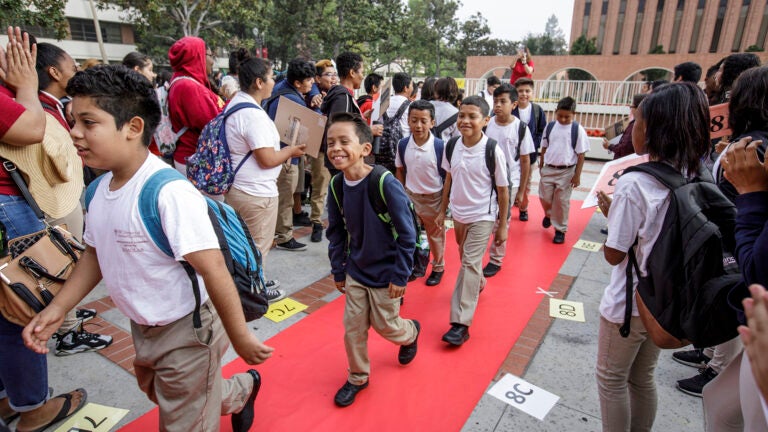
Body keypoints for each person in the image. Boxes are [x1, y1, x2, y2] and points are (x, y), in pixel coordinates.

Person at [22, 65, 273, 432]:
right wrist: (59, 308)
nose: (74, 132)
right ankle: (239, 392)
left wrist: (240, 336)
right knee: (172, 392)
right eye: (74, 121)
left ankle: (217, 395)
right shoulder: (98, 190)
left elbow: (213, 269)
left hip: (189, 328)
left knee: (184, 413)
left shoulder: (169, 194)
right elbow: (95, 255)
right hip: (144, 324)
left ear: (133, 127)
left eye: (88, 123)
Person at [595, 82, 712, 432]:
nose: (634, 129)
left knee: (611, 379)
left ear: (654, 129)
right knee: (643, 377)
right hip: (668, 301)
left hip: (630, 303)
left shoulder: (635, 183)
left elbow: (615, 253)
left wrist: (614, 218)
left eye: (638, 122)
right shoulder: (696, 173)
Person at [0, 26, 88, 432]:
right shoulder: (26, 94)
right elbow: (30, 129)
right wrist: (25, 88)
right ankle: (32, 407)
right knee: (21, 307)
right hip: (7, 209)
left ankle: (9, 398)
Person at [325, 112, 419, 407]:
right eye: (330, 143)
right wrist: (338, 269)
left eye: (344, 141)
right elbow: (336, 231)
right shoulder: (336, 185)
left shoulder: (384, 182)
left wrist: (400, 275)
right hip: (356, 270)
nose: (336, 148)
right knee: (353, 329)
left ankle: (410, 332)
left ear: (365, 148)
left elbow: (408, 234)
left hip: (387, 271)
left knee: (386, 326)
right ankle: (358, 377)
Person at [30, 42, 113, 355]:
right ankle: (68, 332)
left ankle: (69, 314)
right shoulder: (40, 110)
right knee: (66, 261)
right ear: (54, 71)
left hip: (64, 193)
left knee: (74, 257)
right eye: (72, 67)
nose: (78, 134)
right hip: (57, 196)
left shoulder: (50, 106)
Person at [223, 57, 305, 303]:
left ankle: (255, 279)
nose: (274, 82)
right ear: (259, 82)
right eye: (270, 78)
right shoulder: (253, 115)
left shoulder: (237, 104)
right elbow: (267, 159)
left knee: (246, 243)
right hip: (255, 193)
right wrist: (291, 151)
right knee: (258, 245)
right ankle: (255, 291)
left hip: (241, 188)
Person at [436, 96, 509, 346]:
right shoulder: (452, 145)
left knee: (468, 263)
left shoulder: (492, 150)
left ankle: (460, 324)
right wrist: (442, 210)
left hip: (483, 215)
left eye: (472, 116)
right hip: (459, 215)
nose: (465, 121)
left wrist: (502, 225)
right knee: (468, 261)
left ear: (486, 120)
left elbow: (503, 190)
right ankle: (478, 282)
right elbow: (448, 179)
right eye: (461, 116)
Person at [318, 52, 383, 240]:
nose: (363, 76)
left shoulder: (343, 96)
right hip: (343, 163)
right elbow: (339, 130)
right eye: (361, 71)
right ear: (352, 72)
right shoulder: (343, 97)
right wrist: (369, 130)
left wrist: (361, 117)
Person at [265, 58, 317, 252]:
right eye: (309, 80)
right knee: (285, 199)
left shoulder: (279, 89)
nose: (312, 83)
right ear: (297, 83)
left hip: (276, 154)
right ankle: (284, 237)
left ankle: (277, 233)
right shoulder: (293, 101)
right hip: (287, 158)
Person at [482, 84, 534, 278]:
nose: (497, 105)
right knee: (485, 217)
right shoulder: (487, 124)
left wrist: (521, 191)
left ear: (513, 104)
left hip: (510, 182)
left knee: (502, 220)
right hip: (487, 180)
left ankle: (496, 259)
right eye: (495, 101)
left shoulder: (520, 128)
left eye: (502, 101)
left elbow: (525, 161)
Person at [395, 100, 445, 286]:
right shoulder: (403, 144)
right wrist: (401, 196)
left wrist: (444, 207)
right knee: (409, 235)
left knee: (435, 236)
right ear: (408, 120)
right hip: (410, 197)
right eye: (414, 120)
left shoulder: (440, 147)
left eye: (423, 121)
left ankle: (438, 267)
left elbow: (448, 177)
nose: (418, 125)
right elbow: (400, 170)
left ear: (432, 122)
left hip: (434, 198)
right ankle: (412, 265)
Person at [167, 36, 224, 174]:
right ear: (197, 56)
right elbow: (214, 123)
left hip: (192, 157)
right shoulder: (189, 87)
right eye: (210, 56)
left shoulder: (181, 81)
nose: (212, 61)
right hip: (196, 159)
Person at [538, 96, 589, 244]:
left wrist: (577, 175)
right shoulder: (551, 126)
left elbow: (581, 155)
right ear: (556, 112)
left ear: (574, 114)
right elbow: (544, 146)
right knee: (544, 197)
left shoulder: (577, 130)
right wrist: (541, 163)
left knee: (561, 201)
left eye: (567, 117)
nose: (563, 119)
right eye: (560, 115)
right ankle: (549, 215)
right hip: (549, 168)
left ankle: (560, 229)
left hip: (566, 171)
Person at [306, 59, 338, 243]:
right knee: (319, 187)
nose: (333, 78)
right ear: (317, 78)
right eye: (328, 74)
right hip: (321, 149)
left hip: (337, 148)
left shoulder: (336, 93)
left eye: (335, 74)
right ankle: (317, 223)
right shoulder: (314, 97)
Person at [512, 77, 546, 222]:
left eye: (527, 91)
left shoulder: (537, 110)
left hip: (530, 155)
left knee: (526, 183)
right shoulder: (511, 108)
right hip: (512, 154)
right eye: (520, 91)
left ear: (532, 92)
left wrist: (532, 144)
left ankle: (523, 208)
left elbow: (542, 130)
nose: (524, 94)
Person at [602, 94, 645, 160]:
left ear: (638, 108)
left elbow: (625, 148)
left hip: (627, 161)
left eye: (631, 107)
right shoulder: (639, 123)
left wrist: (609, 146)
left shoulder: (635, 125)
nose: (630, 110)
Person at [432, 77, 460, 142]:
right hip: (445, 146)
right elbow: (457, 137)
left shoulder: (425, 106)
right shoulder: (456, 113)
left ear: (435, 91)